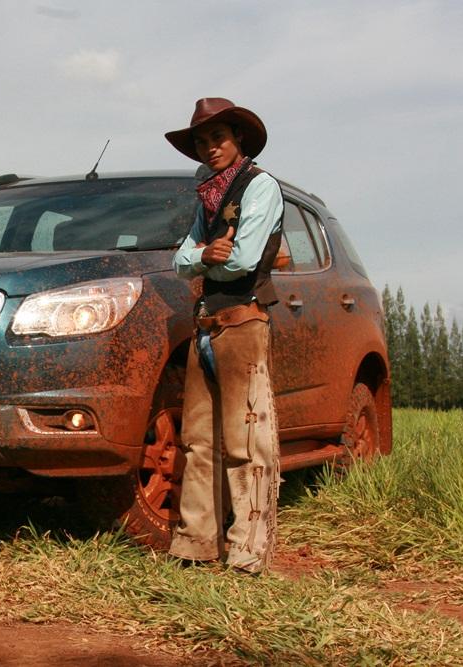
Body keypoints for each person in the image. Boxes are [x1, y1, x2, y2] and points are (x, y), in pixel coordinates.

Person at [165, 98, 284, 573]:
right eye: (201, 141)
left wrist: (207, 256)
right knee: (199, 440)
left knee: (246, 441)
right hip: (207, 324)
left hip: (243, 322)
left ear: (238, 140)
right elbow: (179, 261)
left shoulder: (261, 187)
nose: (210, 148)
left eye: (218, 138)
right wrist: (205, 255)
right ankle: (196, 543)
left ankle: (248, 551)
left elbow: (243, 258)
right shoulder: (208, 199)